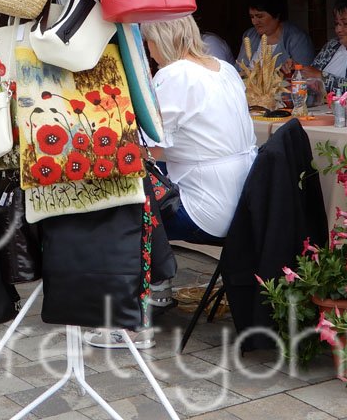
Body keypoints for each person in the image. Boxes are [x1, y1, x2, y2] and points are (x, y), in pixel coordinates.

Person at [84, 17, 257, 351]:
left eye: (147, 43)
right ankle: (158, 286)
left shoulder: (175, 75)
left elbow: (146, 141)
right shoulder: (223, 68)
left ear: (159, 40)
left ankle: (130, 322)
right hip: (241, 205)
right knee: (150, 178)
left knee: (120, 201)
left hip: (207, 210)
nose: (148, 52)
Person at [236, 0, 315, 73]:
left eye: (260, 16)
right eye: (251, 17)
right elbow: (239, 69)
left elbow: (306, 76)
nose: (254, 22)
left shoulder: (297, 39)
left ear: (276, 15)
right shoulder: (249, 35)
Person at [303, 0, 347, 96]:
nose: (338, 30)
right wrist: (298, 72)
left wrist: (322, 77)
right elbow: (311, 76)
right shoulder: (332, 46)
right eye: (336, 24)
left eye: (346, 23)